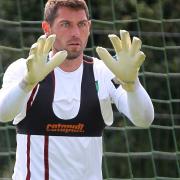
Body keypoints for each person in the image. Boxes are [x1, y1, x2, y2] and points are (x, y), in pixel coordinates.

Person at [0, 0, 154, 179]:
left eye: (81, 24)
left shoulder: (103, 72)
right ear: (46, 28)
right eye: (65, 24)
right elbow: (3, 114)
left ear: (89, 26)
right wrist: (27, 82)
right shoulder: (23, 69)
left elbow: (144, 119)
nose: (75, 33)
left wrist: (133, 85)